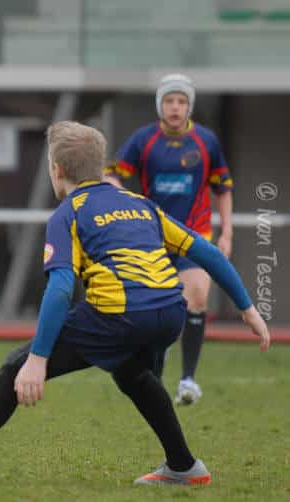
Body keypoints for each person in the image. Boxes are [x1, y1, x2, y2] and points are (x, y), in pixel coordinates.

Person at [0, 121, 270, 486]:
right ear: (101, 167)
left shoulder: (69, 212)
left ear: (56, 170)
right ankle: (184, 465)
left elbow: (61, 288)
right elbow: (208, 253)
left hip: (121, 315)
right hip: (172, 310)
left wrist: (38, 360)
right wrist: (248, 310)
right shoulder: (140, 204)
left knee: (13, 368)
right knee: (132, 373)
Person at [102, 74, 234, 405]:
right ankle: (153, 378)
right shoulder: (143, 140)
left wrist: (227, 232)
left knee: (198, 295)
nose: (175, 107)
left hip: (195, 236)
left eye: (182, 101)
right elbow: (110, 174)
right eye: (170, 101)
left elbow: (223, 188)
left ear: (189, 106)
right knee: (158, 311)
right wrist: (126, 198)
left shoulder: (206, 141)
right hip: (154, 238)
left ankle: (188, 380)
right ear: (160, 105)